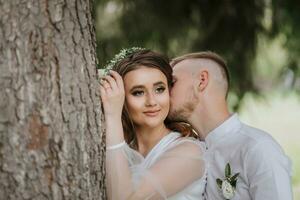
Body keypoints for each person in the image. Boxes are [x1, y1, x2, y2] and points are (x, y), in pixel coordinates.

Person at [168, 51, 293, 200]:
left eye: (172, 82)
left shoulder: (258, 148)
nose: (163, 92)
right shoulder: (181, 150)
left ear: (202, 80)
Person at [99, 48, 207, 200]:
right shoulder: (118, 149)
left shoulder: (190, 151)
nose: (151, 101)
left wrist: (113, 115)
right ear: (121, 98)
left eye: (159, 89)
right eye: (138, 92)